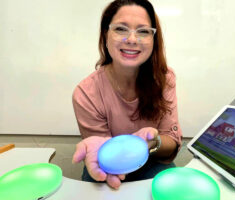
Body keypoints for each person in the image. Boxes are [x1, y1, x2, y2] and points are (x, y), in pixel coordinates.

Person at [71, 0, 182, 189]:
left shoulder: (164, 79)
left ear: (153, 39)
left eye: (143, 31)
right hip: (107, 166)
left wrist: (151, 143)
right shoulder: (86, 93)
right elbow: (101, 153)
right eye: (121, 29)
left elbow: (171, 143)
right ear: (106, 35)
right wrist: (107, 152)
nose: (131, 39)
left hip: (151, 162)